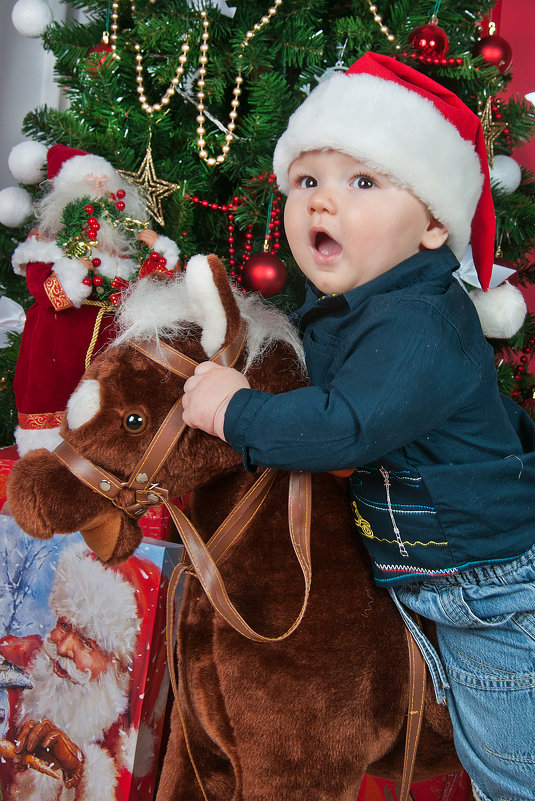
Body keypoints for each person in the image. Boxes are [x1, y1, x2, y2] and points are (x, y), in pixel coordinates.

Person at [181, 52, 535, 801]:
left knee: (510, 771)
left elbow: (344, 426)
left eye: (361, 181)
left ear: (435, 224)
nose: (321, 203)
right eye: (307, 180)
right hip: (422, 574)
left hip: (490, 591)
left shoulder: (417, 323)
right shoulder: (355, 308)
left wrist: (231, 409)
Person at [11, 144, 179, 457]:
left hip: (109, 351)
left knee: (107, 413)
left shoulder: (122, 256)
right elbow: (49, 295)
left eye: (105, 196)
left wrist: (159, 254)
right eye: (89, 195)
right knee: (53, 409)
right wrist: (75, 268)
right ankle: (45, 460)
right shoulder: (45, 248)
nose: (99, 203)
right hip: (56, 347)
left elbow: (152, 294)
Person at [0, 542, 163, 801]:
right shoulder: (19, 664)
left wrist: (80, 769)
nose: (63, 647)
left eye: (88, 643)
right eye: (64, 625)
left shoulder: (127, 743)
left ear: (117, 666)